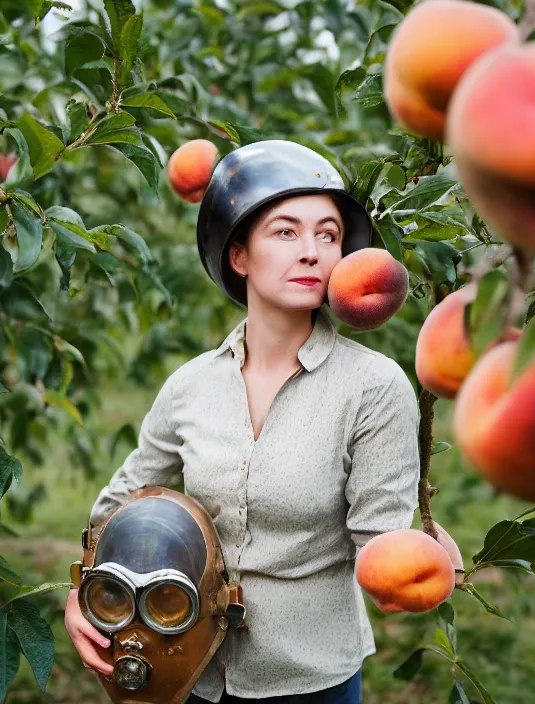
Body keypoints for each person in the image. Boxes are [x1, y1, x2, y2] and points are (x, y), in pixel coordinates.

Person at [64, 141, 420, 703]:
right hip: (190, 668)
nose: (311, 252)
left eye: (327, 235)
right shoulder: (192, 385)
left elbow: (382, 542)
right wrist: (82, 588)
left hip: (311, 678)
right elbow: (124, 497)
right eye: (285, 232)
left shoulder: (372, 388)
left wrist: (423, 552)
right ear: (239, 256)